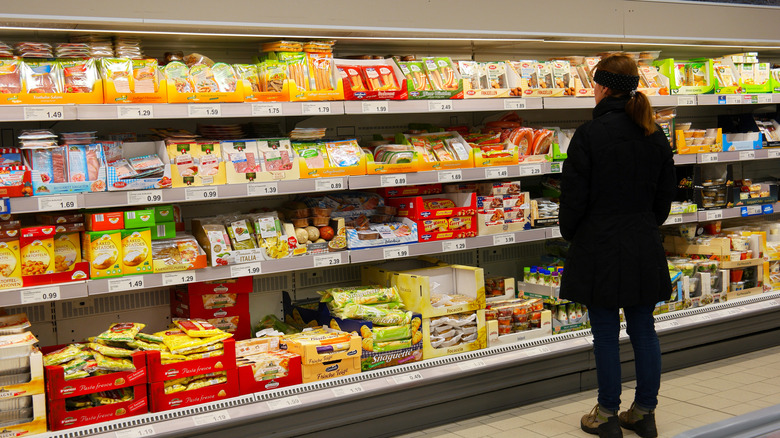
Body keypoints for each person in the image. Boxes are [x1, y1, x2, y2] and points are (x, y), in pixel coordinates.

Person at [559, 54, 676, 438]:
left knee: (606, 333)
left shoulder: (589, 135)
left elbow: (573, 198)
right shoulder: (654, 133)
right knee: (644, 328)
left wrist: (574, 233)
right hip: (642, 241)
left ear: (605, 87)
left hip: (600, 244)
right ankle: (644, 412)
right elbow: (664, 197)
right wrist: (643, 225)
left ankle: (607, 414)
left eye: (594, 84)